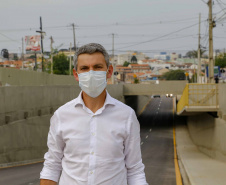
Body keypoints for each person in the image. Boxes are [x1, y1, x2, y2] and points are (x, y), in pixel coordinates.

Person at [40, 43, 148, 185]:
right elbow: (52, 166)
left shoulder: (126, 115)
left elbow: (134, 170)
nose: (91, 73)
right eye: (84, 68)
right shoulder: (61, 115)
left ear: (109, 71)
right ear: (76, 74)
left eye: (97, 67)